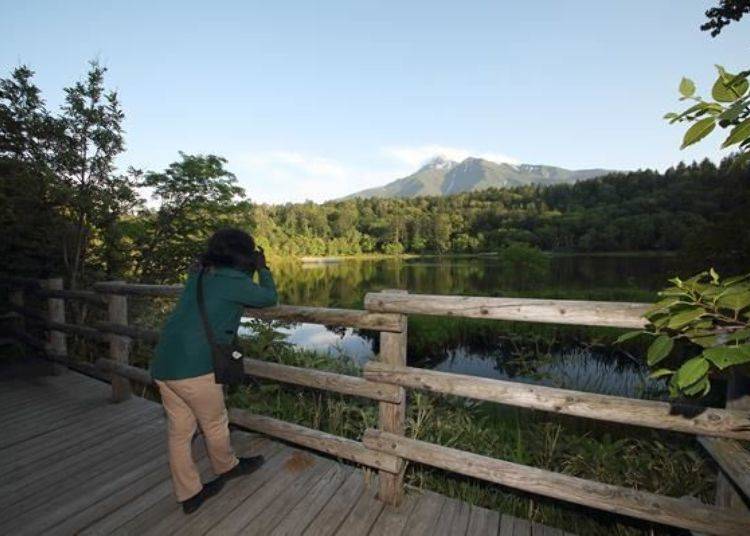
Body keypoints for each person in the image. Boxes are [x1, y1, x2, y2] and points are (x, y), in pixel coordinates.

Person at [150, 228, 278, 514]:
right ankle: (227, 466)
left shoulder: (200, 274)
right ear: (243, 254)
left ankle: (189, 493)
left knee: (180, 431)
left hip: (164, 363)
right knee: (215, 422)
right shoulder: (233, 281)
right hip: (194, 368)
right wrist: (263, 268)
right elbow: (269, 297)